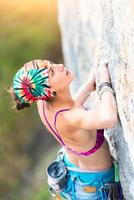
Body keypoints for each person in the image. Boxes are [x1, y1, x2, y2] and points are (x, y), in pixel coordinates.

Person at [11, 59, 123, 200]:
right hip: (94, 187)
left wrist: (87, 87)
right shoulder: (71, 118)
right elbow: (109, 118)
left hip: (75, 171)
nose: (59, 66)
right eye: (51, 72)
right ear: (49, 92)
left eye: (51, 63)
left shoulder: (43, 103)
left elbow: (68, 108)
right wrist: (104, 83)